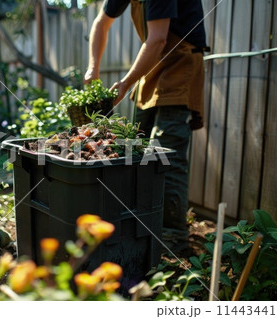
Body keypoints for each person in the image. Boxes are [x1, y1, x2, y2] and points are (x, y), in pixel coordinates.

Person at [84, 0, 208, 252]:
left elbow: (158, 39)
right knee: (135, 149)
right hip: (153, 67)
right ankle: (140, 225)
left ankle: (172, 239)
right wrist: (92, 69)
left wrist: (126, 82)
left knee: (165, 157)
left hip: (180, 63)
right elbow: (101, 22)